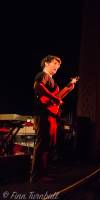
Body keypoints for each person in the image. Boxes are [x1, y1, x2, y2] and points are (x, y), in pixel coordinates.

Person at [30, 55, 63, 183]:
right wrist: (54, 98)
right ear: (46, 63)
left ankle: (41, 174)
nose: (57, 67)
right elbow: (38, 86)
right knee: (42, 144)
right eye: (55, 63)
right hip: (42, 114)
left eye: (58, 65)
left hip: (49, 114)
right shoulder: (42, 75)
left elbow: (56, 97)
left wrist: (68, 89)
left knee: (46, 145)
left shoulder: (51, 79)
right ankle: (35, 176)